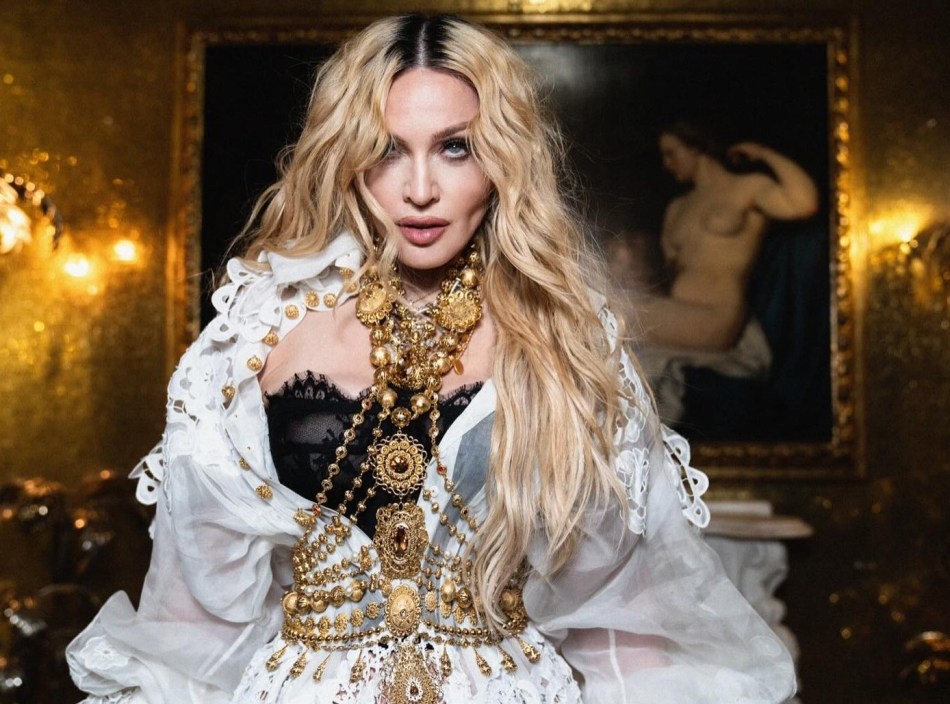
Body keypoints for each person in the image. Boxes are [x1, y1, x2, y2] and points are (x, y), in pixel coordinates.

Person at [67, 15, 796, 704]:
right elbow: (194, 620)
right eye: (388, 149)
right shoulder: (254, 337)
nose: (419, 190)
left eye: (456, 147)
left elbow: (623, 619)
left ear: (503, 157)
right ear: (346, 156)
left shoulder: (565, 340)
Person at [634, 121, 819, 422]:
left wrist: (763, 153)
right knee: (611, 308)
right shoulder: (677, 207)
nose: (666, 164)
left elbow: (805, 203)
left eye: (671, 153)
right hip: (682, 315)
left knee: (613, 311)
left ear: (696, 148)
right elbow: (668, 272)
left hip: (716, 317)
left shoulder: (747, 188)